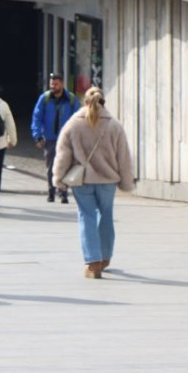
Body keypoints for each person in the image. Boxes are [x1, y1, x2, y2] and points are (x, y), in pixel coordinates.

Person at [52, 86, 135, 279]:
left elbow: (63, 154)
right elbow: (124, 157)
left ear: (85, 101)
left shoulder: (73, 124)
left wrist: (58, 178)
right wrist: (126, 181)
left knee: (86, 216)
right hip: (107, 180)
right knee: (106, 215)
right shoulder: (114, 125)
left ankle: (93, 262)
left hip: (82, 180)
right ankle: (105, 257)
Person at [32, 72, 81, 203]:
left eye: (56, 84)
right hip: (50, 138)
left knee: (65, 165)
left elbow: (78, 119)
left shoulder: (71, 99)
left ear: (62, 84)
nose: (53, 86)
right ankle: (51, 191)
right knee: (50, 166)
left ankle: (63, 192)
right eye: (51, 84)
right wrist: (37, 136)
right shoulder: (45, 98)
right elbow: (37, 117)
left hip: (66, 139)